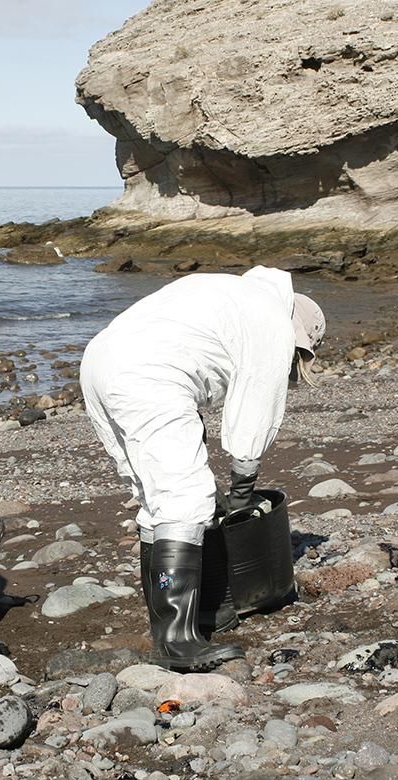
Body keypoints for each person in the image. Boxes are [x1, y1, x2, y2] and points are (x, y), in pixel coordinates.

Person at [80, 266, 325, 672]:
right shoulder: (271, 322)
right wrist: (243, 493)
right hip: (148, 374)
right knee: (187, 499)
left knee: (157, 499)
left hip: (99, 362)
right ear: (299, 338)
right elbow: (253, 416)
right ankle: (176, 641)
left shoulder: (231, 293)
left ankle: (190, 616)